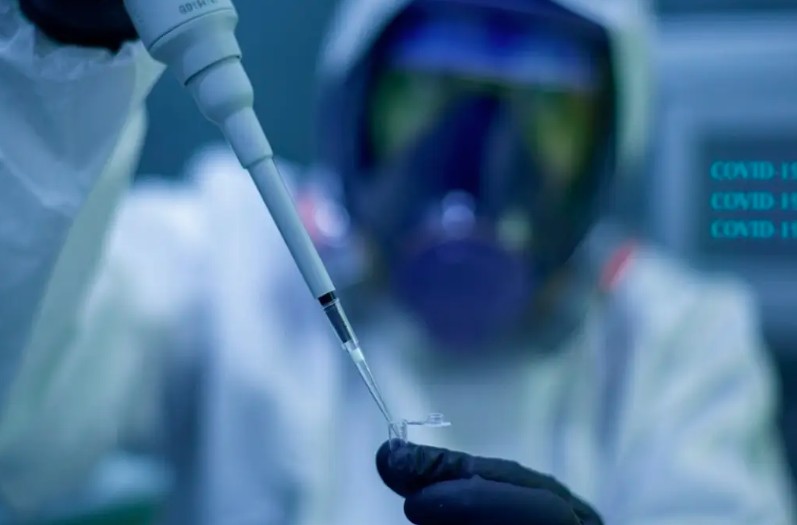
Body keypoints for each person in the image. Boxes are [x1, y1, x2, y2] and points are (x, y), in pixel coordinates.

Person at [0, 0, 794, 523]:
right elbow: (21, 438)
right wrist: (60, 54)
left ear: (607, 150)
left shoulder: (678, 343)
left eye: (545, 110)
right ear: (357, 101)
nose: (479, 156)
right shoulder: (229, 253)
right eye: (432, 92)